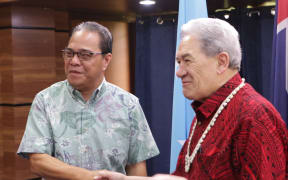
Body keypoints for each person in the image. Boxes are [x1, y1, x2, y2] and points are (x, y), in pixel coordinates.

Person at [94, 18, 288, 180]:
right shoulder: (206, 112)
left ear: (221, 62)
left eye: (187, 60)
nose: (179, 72)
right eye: (179, 62)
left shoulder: (254, 116)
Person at [17, 21, 159, 180]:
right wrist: (92, 177)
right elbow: (38, 162)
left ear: (106, 60)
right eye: (69, 53)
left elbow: (137, 166)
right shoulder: (46, 100)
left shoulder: (128, 105)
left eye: (84, 55)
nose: (74, 61)